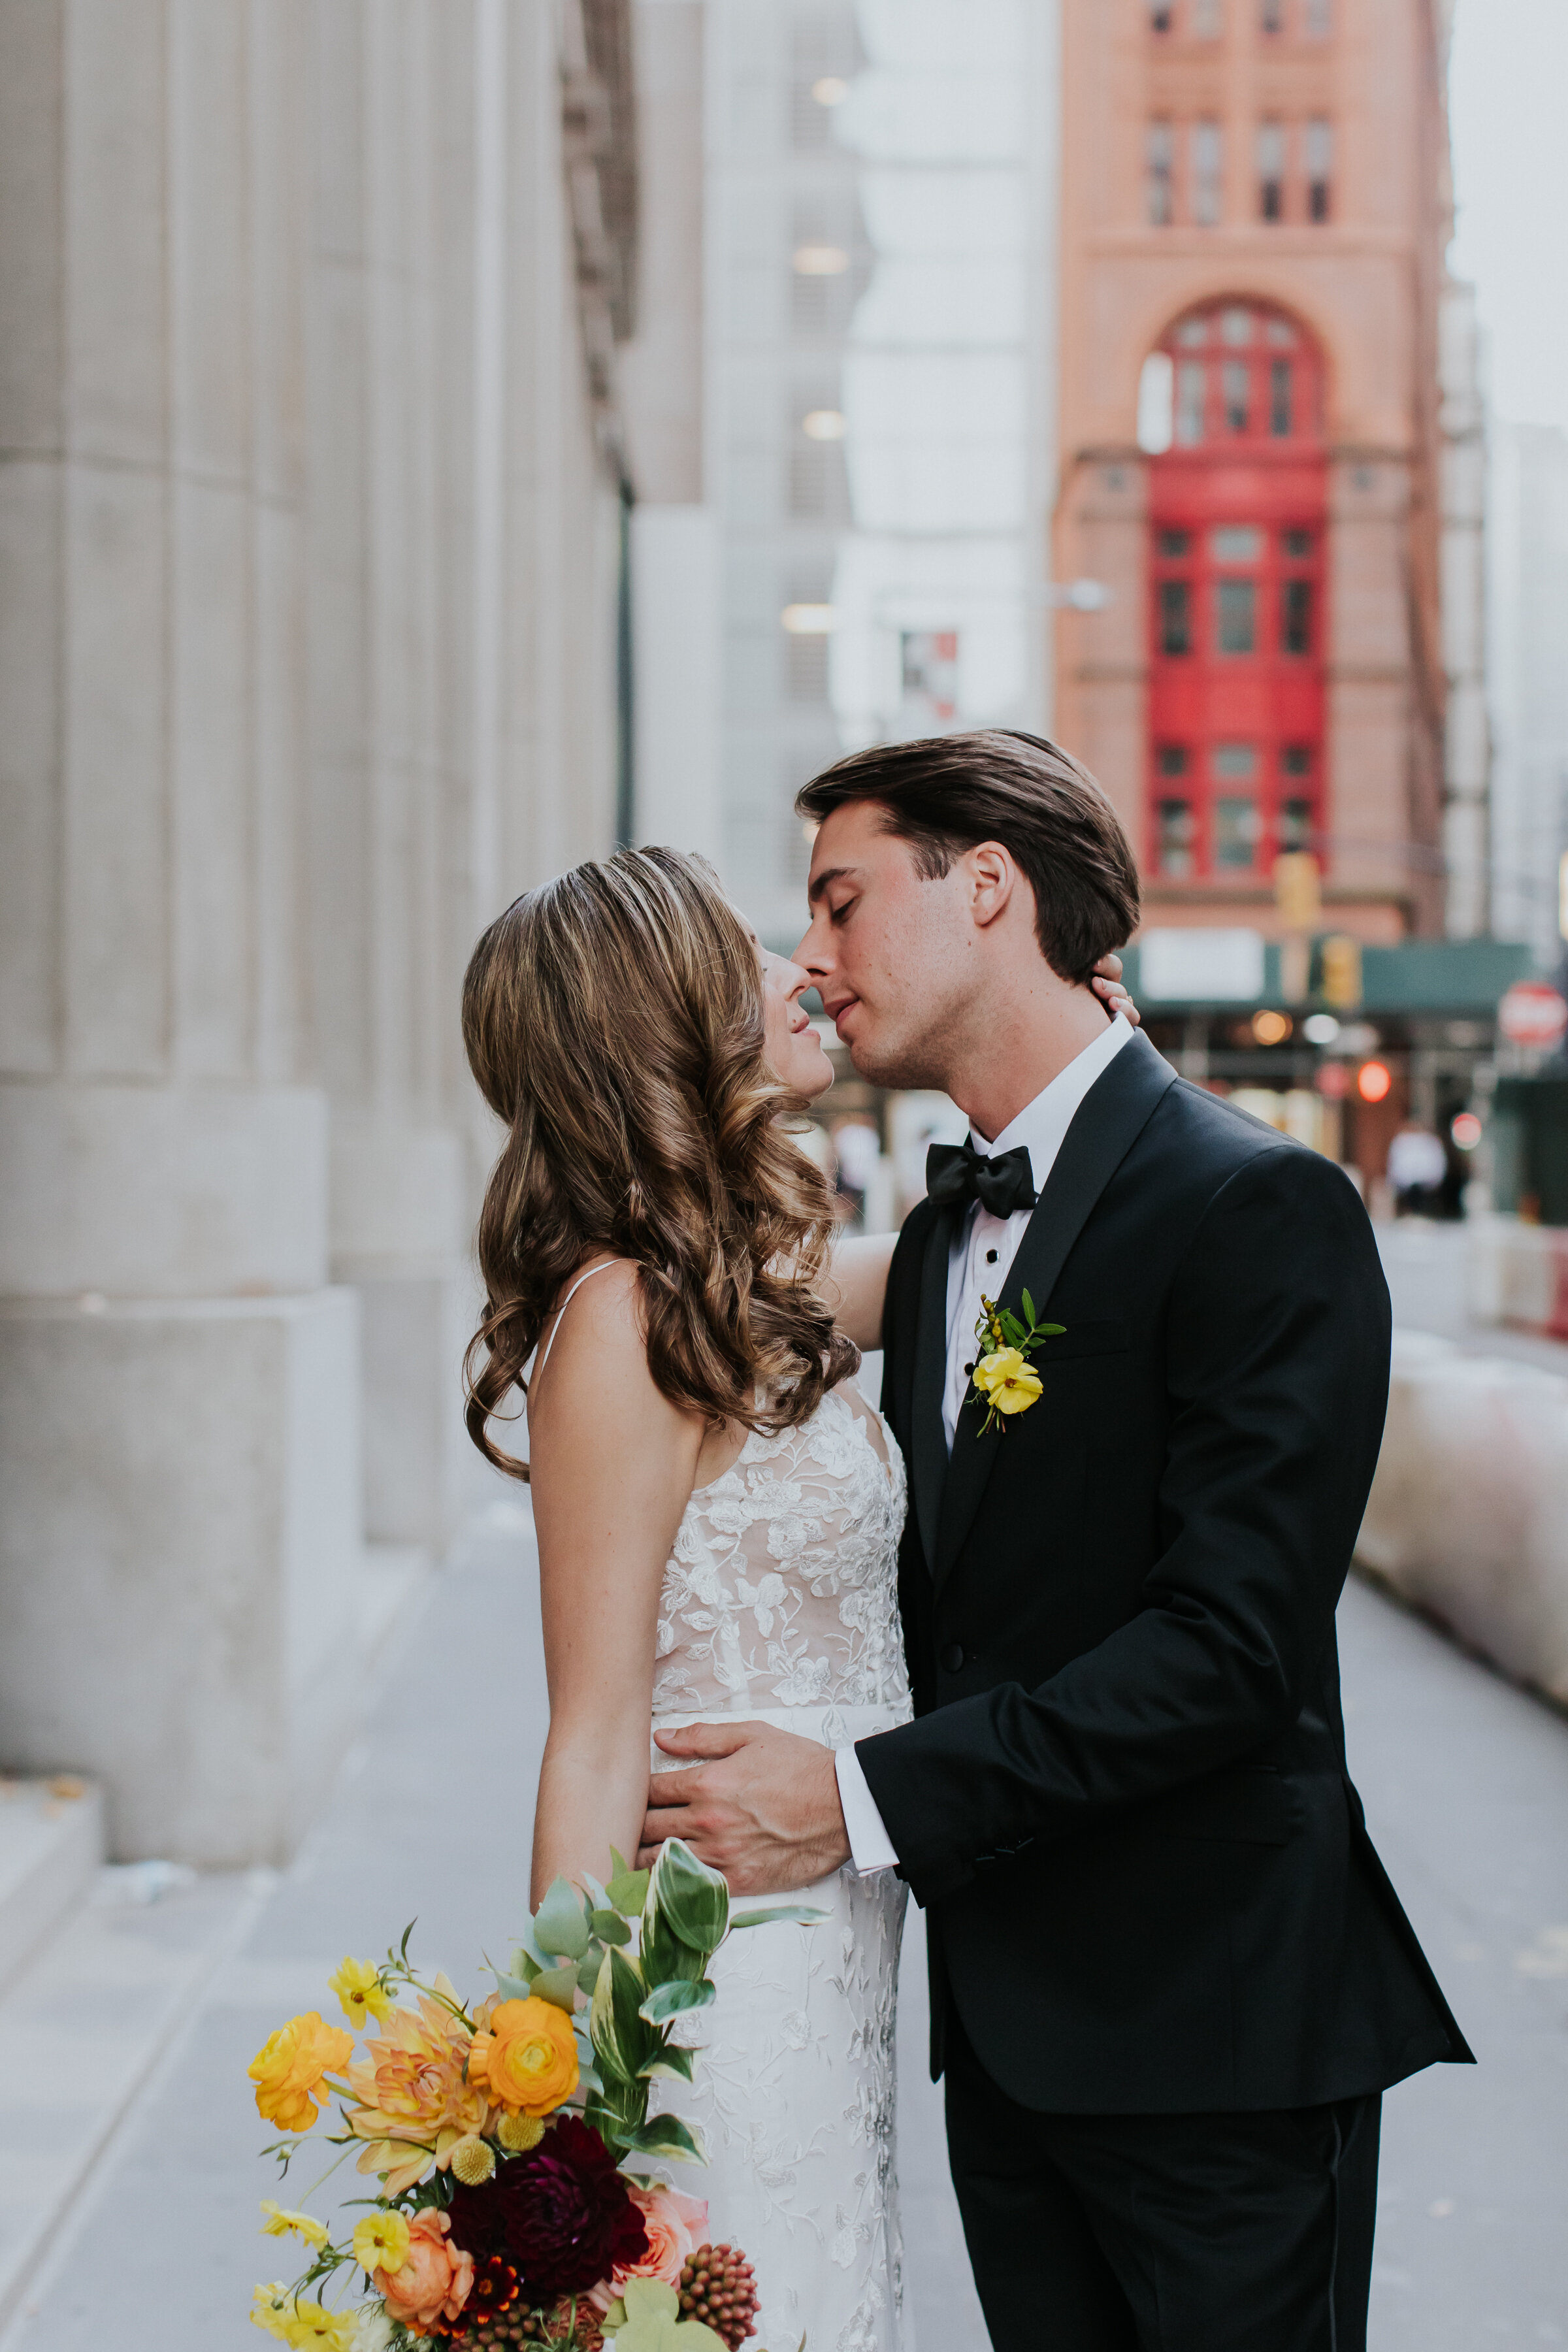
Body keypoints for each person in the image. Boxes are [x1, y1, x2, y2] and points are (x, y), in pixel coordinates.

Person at [640, 730, 1473, 2352]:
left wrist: (859, 1799)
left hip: (1217, 2044)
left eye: (841, 900)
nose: (812, 959)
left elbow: (1228, 1654)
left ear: (990, 889)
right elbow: (680, 1310)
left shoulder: (1262, 1209)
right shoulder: (949, 1226)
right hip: (1007, 2045)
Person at [459, 840, 1137, 2351]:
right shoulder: (627, 1318)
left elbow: (985, 1260)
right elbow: (590, 1731)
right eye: (759, 950)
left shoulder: (736, 1288)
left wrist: (1092, 1071)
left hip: (844, 1964)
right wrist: (561, 2136)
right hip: (728, 1975)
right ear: (670, 1018)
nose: (800, 972)